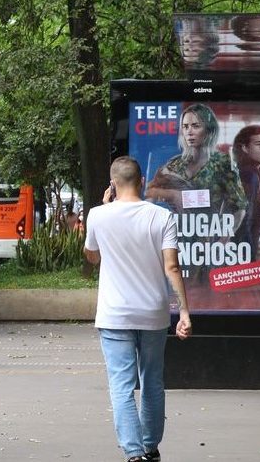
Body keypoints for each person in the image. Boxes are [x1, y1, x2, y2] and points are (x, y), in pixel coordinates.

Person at [84, 156, 193, 462]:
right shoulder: (161, 217)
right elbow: (172, 266)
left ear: (112, 184)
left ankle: (134, 455)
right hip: (153, 313)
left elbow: (91, 258)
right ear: (142, 181)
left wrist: (104, 208)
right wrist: (183, 312)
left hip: (114, 314)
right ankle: (150, 447)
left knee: (121, 385)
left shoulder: (97, 215)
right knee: (152, 381)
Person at [232, 124, 260, 260]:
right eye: (258, 144)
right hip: (241, 251)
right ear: (245, 148)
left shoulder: (258, 173)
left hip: (245, 248)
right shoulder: (249, 175)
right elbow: (244, 219)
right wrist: (248, 257)